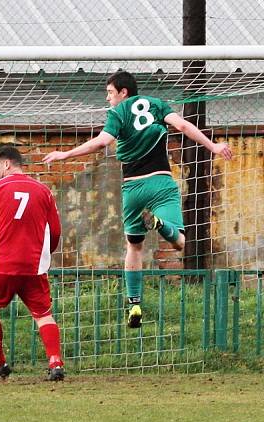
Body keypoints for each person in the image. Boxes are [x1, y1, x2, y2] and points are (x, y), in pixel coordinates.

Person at [43, 70, 233, 328]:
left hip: (132, 189)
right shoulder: (156, 104)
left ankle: (134, 303)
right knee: (179, 242)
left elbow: (102, 142)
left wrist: (65, 155)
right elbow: (184, 126)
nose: (108, 98)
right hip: (162, 183)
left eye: (110, 93)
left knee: (134, 246)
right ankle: (159, 224)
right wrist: (213, 147)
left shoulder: (117, 114)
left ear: (124, 92)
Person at [0, 146, 65, 381]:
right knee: (43, 313)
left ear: (7, 164)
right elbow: (55, 230)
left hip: (1, 265)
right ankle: (55, 363)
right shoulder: (44, 191)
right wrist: (47, 253)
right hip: (34, 265)